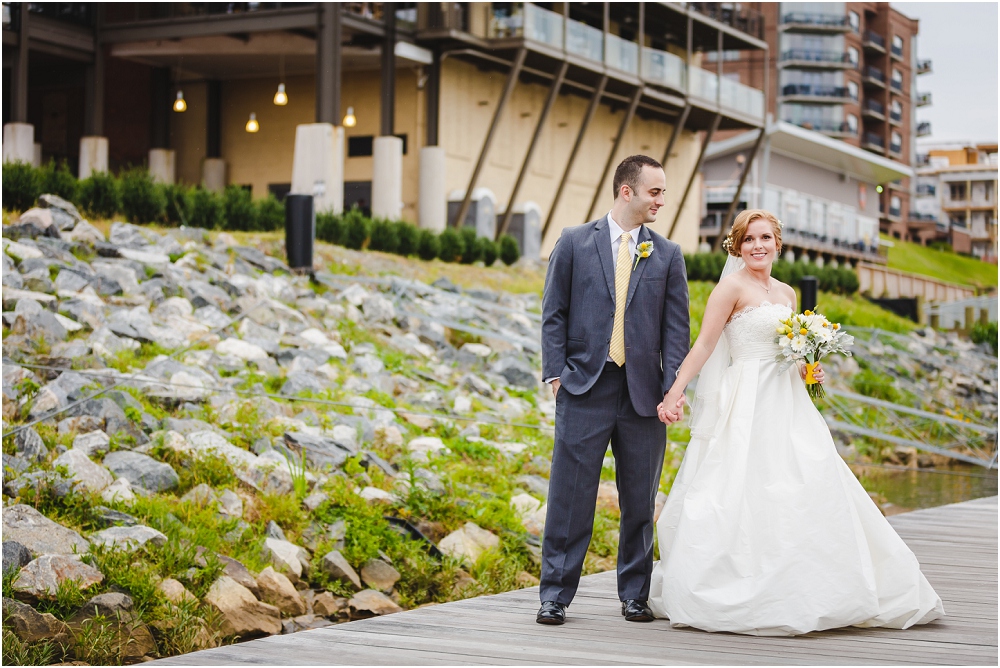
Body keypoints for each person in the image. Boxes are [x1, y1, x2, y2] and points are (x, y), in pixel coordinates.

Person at [647, 209, 944, 635]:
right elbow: (706, 345)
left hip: (787, 401)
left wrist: (811, 369)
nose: (758, 246)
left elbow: (795, 353)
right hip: (746, 400)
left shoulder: (787, 294)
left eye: (765, 238)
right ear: (737, 245)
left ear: (778, 243)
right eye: (748, 239)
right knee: (739, 486)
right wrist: (675, 393)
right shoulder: (729, 287)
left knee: (806, 479)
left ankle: (813, 584)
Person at [537, 155, 690, 625]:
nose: (661, 200)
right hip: (584, 386)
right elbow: (553, 312)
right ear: (627, 191)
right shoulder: (574, 241)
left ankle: (635, 594)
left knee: (640, 499)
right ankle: (555, 596)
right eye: (655, 192)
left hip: (644, 395)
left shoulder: (667, 255)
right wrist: (556, 374)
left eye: (663, 192)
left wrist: (672, 391)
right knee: (570, 495)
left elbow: (675, 332)